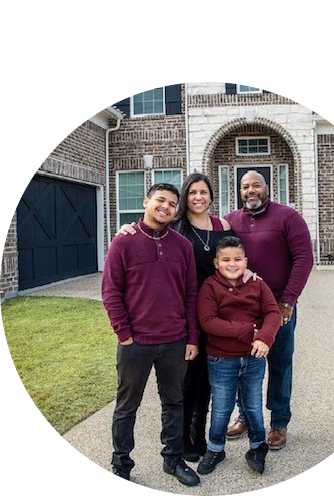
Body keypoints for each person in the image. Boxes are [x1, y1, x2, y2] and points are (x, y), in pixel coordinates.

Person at [116, 173, 236, 463]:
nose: (198, 197)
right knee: (184, 385)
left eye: (203, 192)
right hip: (184, 320)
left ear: (211, 195)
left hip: (214, 316)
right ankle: (175, 445)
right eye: (192, 192)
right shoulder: (176, 229)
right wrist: (127, 227)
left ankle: (195, 441)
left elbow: (237, 258)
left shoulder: (222, 226)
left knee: (205, 384)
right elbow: (146, 234)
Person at [102, 183, 201, 496]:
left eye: (172, 204)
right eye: (160, 200)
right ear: (146, 202)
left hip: (174, 340)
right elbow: (110, 291)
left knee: (174, 402)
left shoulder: (182, 246)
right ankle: (121, 468)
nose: (166, 207)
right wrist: (124, 334)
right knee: (126, 407)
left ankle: (172, 460)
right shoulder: (124, 242)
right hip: (137, 343)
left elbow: (190, 293)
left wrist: (191, 337)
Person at [225, 171, 313, 451]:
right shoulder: (231, 221)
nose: (250, 190)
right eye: (245, 187)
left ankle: (279, 422)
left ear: (267, 188)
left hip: (278, 306)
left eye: (255, 186)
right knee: (243, 365)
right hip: (242, 307)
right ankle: (245, 415)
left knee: (279, 363)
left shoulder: (288, 217)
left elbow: (304, 258)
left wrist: (288, 301)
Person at [196, 236, 280, 475]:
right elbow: (208, 322)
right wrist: (247, 331)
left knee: (253, 406)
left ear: (246, 261)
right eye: (226, 260)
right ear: (216, 262)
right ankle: (215, 448)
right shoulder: (210, 287)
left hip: (253, 359)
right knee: (221, 408)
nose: (232, 264)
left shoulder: (257, 284)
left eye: (237, 259)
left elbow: (273, 312)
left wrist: (264, 338)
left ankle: (257, 446)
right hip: (222, 360)